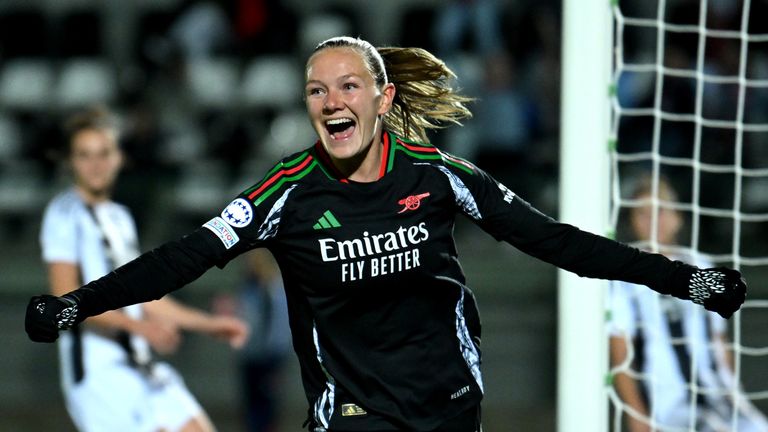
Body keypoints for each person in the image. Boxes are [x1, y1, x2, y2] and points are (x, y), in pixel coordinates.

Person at [26, 37, 746, 432]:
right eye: (316, 89)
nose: (330, 100)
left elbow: (558, 243)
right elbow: (181, 258)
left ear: (382, 98)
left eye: (347, 85)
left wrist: (683, 278)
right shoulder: (284, 194)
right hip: (352, 412)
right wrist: (74, 305)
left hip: (450, 405)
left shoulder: (439, 176)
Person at [38, 105, 249, 432]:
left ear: (118, 158)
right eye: (84, 155)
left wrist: (207, 324)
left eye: (103, 153)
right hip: (100, 377)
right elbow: (64, 300)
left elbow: (143, 296)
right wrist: (141, 329)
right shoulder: (64, 214)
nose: (95, 164)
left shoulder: (119, 218)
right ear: (71, 162)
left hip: (141, 365)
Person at [609, 175, 767, 432]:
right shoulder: (624, 277)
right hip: (668, 404)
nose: (653, 221)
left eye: (661, 211)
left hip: (719, 395)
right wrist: (636, 413)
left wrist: (732, 387)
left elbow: (719, 340)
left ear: (677, 217)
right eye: (643, 214)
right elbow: (619, 350)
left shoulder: (702, 266)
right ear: (633, 221)